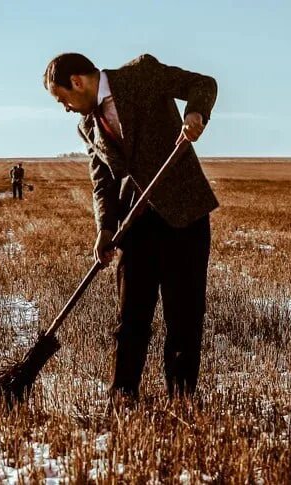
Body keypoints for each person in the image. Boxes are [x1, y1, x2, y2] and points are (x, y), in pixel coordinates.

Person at [43, 52, 218, 405]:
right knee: (131, 318)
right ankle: (122, 396)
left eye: (62, 98)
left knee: (184, 317)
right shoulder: (88, 126)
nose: (65, 107)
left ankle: (181, 398)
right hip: (135, 225)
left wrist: (195, 114)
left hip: (184, 214)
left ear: (77, 82)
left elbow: (203, 84)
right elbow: (102, 181)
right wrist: (105, 229)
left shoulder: (140, 75)